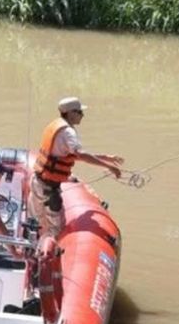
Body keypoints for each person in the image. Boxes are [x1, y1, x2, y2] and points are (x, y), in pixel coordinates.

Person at [28, 96, 124, 239]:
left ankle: (36, 242)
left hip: (37, 181)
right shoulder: (68, 132)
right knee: (57, 230)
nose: (82, 115)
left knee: (38, 223)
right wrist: (109, 166)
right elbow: (81, 154)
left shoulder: (55, 125)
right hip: (49, 189)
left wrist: (105, 157)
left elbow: (67, 155)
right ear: (70, 113)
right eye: (79, 112)